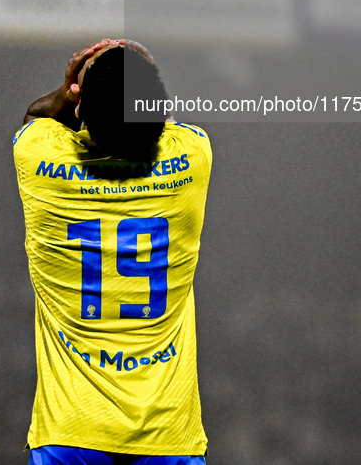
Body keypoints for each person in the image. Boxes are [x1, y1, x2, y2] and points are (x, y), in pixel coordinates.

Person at [13, 38, 213, 465]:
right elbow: (165, 124)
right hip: (167, 437)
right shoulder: (194, 161)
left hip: (71, 433)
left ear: (81, 108)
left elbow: (36, 117)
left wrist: (69, 88)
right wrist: (145, 70)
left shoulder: (40, 164)